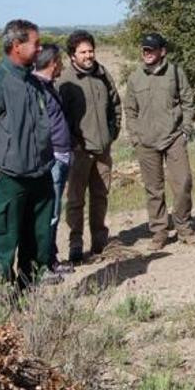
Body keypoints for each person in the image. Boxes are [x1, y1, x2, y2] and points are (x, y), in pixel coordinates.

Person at [0, 19, 59, 289]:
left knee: (38, 244)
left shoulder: (33, 83)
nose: (40, 49)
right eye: (36, 44)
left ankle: (28, 303)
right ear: (17, 46)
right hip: (10, 180)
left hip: (40, 178)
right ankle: (3, 310)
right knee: (5, 247)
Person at [124, 33, 195, 251]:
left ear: (162, 51)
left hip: (174, 137)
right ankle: (159, 231)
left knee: (183, 181)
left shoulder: (176, 73)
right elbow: (130, 110)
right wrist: (135, 136)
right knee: (153, 188)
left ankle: (184, 227)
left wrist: (186, 129)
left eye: (151, 49)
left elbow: (188, 101)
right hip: (146, 141)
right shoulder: (135, 78)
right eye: (144, 50)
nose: (146, 53)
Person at [58, 30, 122, 264]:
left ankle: (99, 242)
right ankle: (76, 244)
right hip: (79, 152)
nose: (88, 55)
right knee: (75, 199)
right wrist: (73, 144)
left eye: (91, 50)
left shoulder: (102, 74)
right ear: (72, 55)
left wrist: (111, 133)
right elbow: (60, 118)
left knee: (100, 195)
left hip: (103, 149)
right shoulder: (65, 81)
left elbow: (115, 104)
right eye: (83, 52)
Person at [32, 44, 75, 274]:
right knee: (49, 213)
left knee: (54, 212)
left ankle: (51, 258)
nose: (62, 65)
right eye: (60, 61)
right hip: (52, 158)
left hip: (62, 155)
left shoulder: (49, 87)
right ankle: (42, 265)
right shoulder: (37, 89)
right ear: (53, 63)